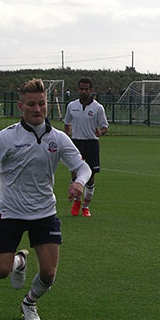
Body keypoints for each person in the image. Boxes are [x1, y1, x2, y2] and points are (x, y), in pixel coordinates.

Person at [0, 79, 91, 320]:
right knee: (1, 271)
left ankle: (29, 302)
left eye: (42, 104)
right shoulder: (6, 137)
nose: (38, 109)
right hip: (11, 212)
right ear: (20, 107)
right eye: (32, 104)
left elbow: (83, 166)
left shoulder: (58, 138)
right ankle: (20, 260)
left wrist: (79, 182)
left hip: (44, 212)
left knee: (49, 272)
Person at [64, 77, 109, 218]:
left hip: (91, 144)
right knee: (74, 174)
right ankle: (77, 201)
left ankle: (86, 206)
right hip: (76, 143)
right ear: (78, 90)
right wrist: (66, 136)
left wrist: (100, 132)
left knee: (90, 177)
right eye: (81, 89)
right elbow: (67, 123)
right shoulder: (71, 106)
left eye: (86, 89)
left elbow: (105, 126)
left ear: (91, 90)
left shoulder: (98, 108)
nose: (83, 91)